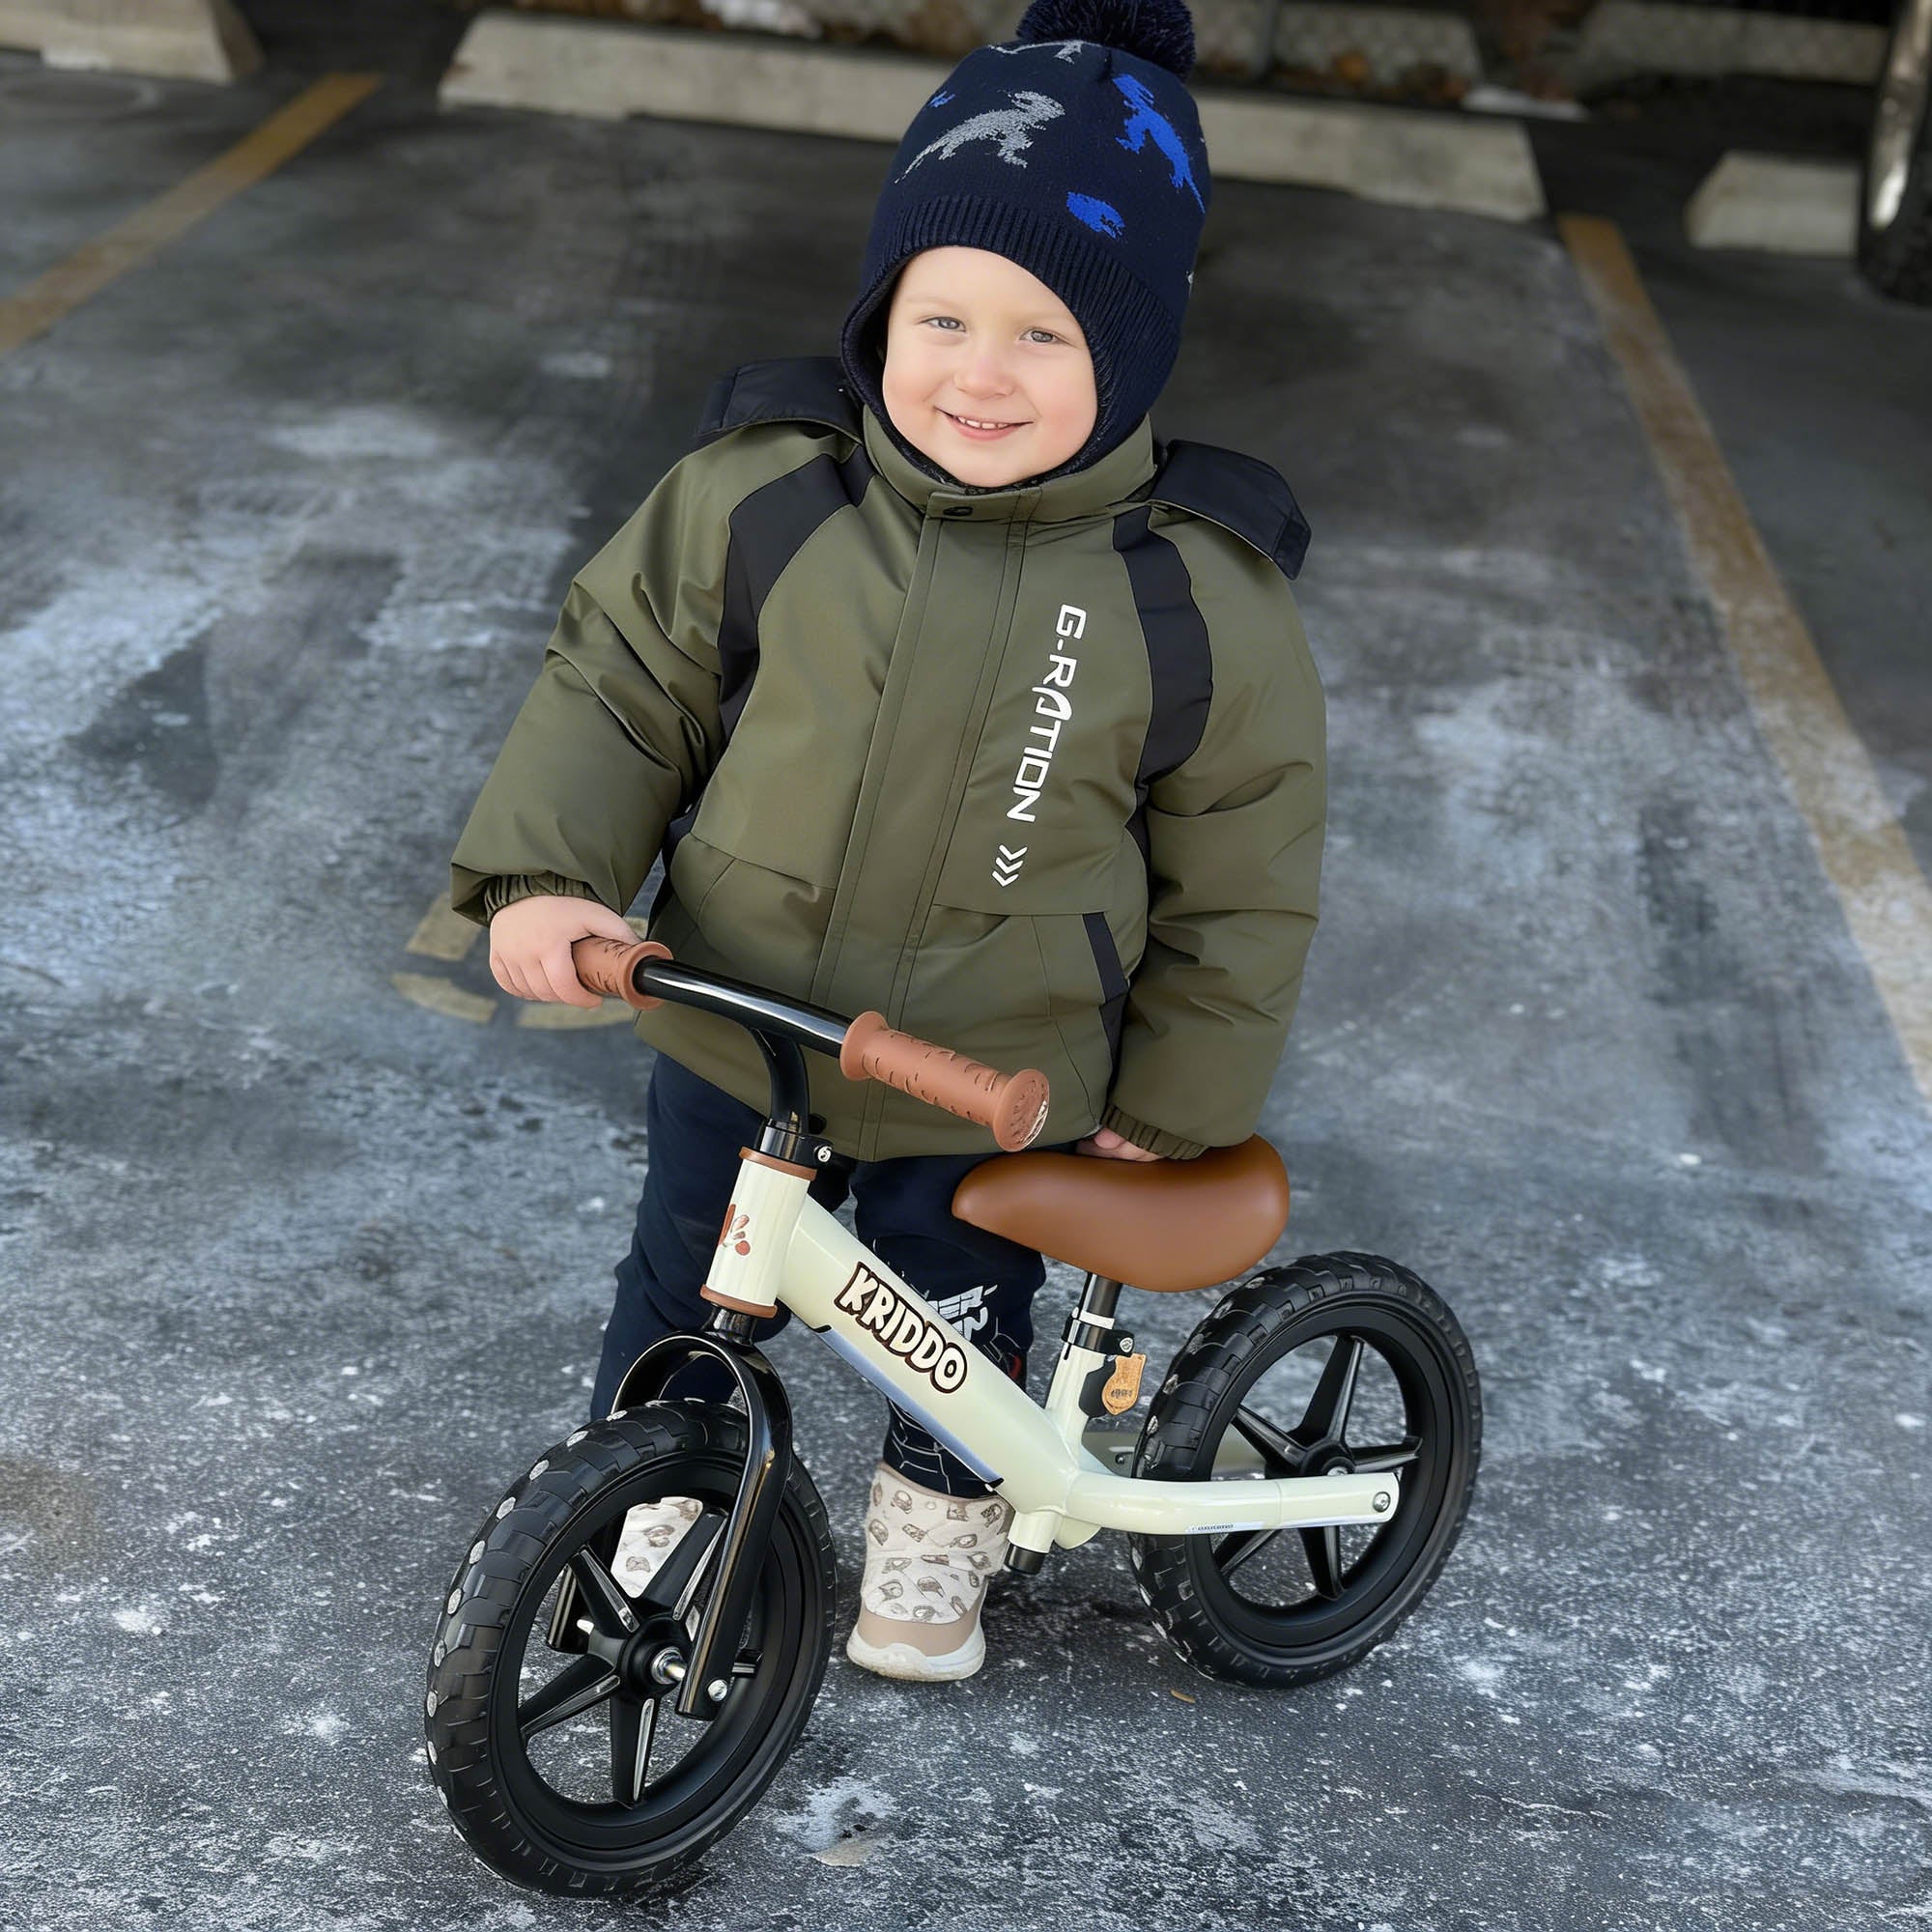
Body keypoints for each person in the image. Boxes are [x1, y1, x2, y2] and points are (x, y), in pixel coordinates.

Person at [446, 0, 1323, 1683]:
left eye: (1045, 338)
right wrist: (548, 876)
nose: (976, 375)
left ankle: (939, 1528)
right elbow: (623, 692)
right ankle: (663, 1505)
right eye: (941, 316)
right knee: (685, 1295)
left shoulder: (1195, 592)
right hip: (739, 1012)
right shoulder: (768, 495)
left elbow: (1246, 870)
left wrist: (1177, 1108)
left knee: (963, 1330)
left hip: (992, 1065)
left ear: (1130, 359)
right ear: (877, 313)